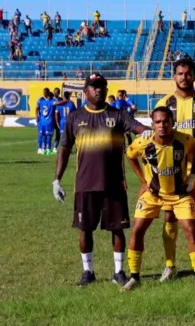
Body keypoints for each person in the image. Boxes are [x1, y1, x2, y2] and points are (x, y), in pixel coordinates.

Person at [52, 73, 148, 286]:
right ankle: (88, 272)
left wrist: (153, 132)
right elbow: (65, 148)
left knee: (117, 228)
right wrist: (56, 180)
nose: (99, 90)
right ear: (85, 91)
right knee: (85, 229)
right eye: (94, 86)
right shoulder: (74, 117)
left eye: (102, 86)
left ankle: (118, 272)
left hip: (114, 183)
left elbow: (137, 128)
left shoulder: (118, 114)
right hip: (85, 185)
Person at [123, 107, 195, 290]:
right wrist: (143, 181)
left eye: (165, 121)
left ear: (172, 123)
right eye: (158, 122)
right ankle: (134, 277)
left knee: (191, 230)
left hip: (179, 195)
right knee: (137, 230)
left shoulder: (185, 140)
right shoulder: (143, 143)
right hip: (153, 195)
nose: (162, 125)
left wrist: (191, 178)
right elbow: (130, 156)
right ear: (152, 124)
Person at [155, 58, 195, 282]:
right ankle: (170, 265)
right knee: (170, 216)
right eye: (180, 73)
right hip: (171, 171)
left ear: (194, 76)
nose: (184, 77)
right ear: (174, 76)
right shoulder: (164, 102)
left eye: (188, 74)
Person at [36, 88, 55, 155]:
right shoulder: (41, 100)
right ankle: (41, 149)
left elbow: (37, 108)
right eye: (43, 92)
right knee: (42, 135)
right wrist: (37, 117)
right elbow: (37, 108)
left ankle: (43, 149)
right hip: (42, 121)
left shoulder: (42, 100)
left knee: (44, 135)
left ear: (47, 93)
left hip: (45, 120)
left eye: (45, 92)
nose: (44, 93)